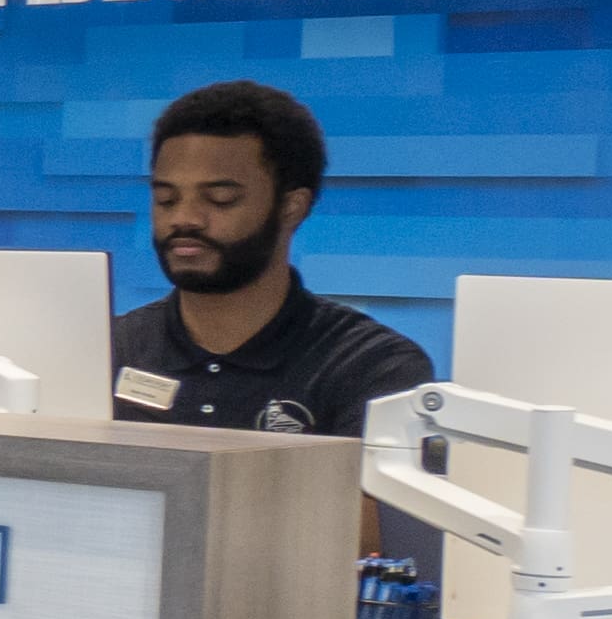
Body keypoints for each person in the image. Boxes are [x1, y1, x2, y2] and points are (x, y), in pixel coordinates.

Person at [115, 82, 430, 435]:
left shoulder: (371, 366)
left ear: (292, 207)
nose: (184, 218)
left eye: (219, 199)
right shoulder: (108, 349)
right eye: (167, 199)